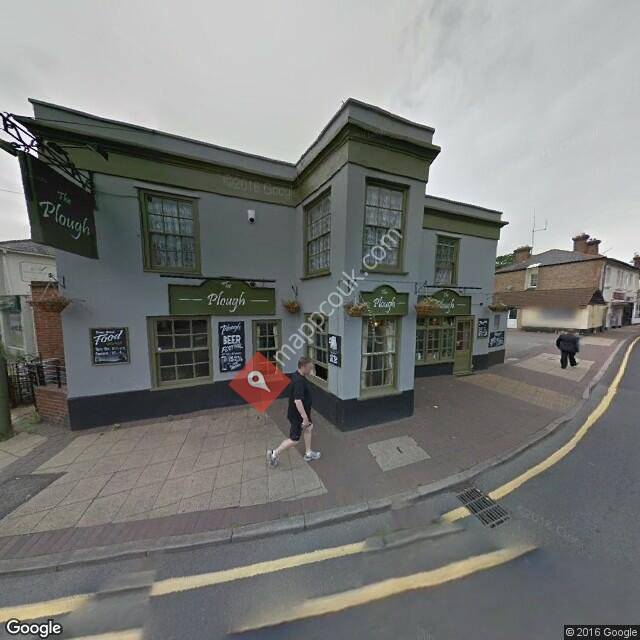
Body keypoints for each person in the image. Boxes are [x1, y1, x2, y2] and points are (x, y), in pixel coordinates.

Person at [267, 356, 321, 467]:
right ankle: (274, 453)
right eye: (309, 368)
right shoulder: (298, 382)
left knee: (309, 428)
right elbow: (297, 401)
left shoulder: (297, 375)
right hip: (298, 415)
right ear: (303, 367)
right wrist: (304, 418)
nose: (311, 370)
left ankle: (308, 453)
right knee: (294, 439)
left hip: (302, 413)